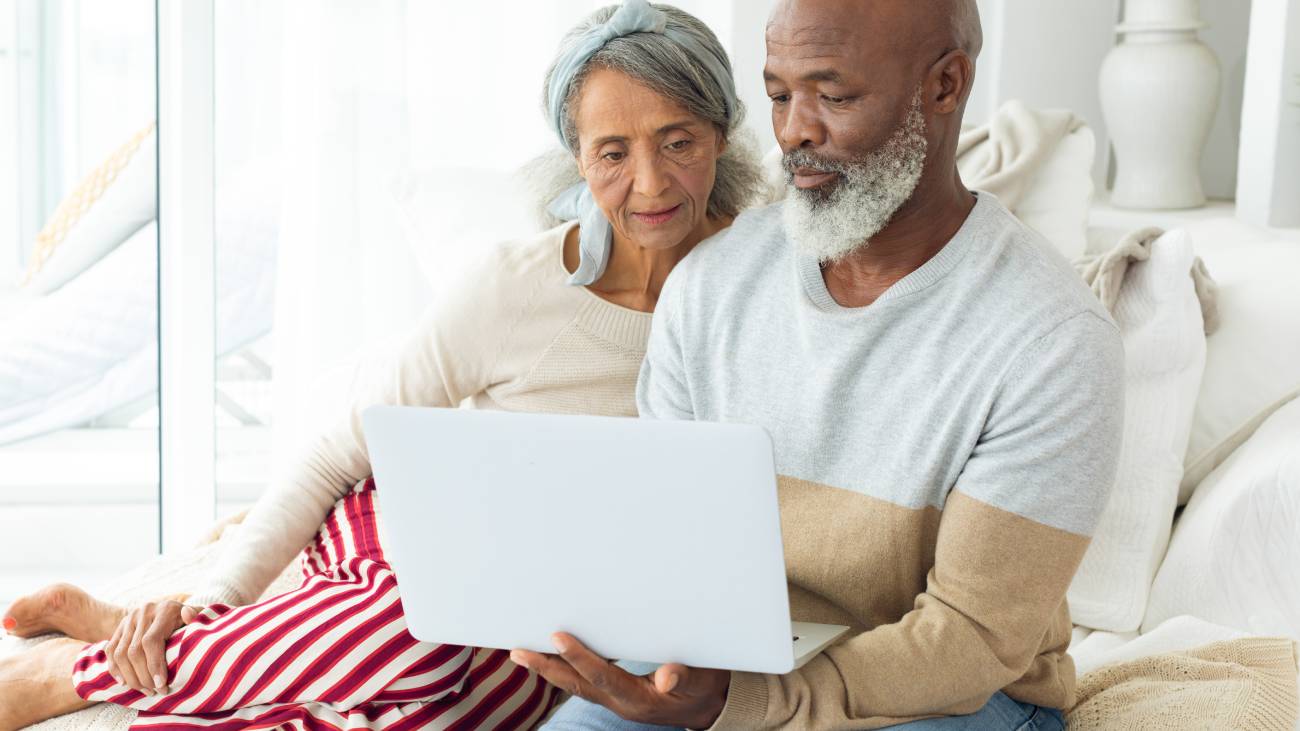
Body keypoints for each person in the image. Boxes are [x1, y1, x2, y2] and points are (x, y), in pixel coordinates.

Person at [0, 3, 761, 729]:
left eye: (678, 141)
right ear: (576, 158)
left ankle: (147, 633)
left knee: (449, 706)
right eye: (613, 153)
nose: (652, 183)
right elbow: (337, 451)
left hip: (563, 606)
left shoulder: (764, 284)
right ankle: (72, 673)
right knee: (413, 655)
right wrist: (215, 598)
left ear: (720, 134)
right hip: (406, 537)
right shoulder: (516, 286)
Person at [516, 0, 1124, 729]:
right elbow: (675, 542)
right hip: (735, 664)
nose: (794, 131)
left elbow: (970, 641)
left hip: (948, 697)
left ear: (945, 86)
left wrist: (744, 704)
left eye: (833, 96)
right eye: (779, 95)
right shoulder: (712, 283)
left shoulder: (1051, 337)